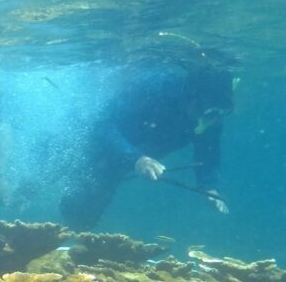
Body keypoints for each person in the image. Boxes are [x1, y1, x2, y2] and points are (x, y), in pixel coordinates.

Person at [59, 56, 235, 230]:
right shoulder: (152, 89)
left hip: (126, 162)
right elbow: (103, 124)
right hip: (100, 150)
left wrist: (209, 187)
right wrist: (136, 158)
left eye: (217, 112)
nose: (205, 119)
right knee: (77, 201)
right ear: (190, 97)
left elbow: (208, 154)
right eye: (203, 110)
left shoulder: (210, 114)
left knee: (87, 217)